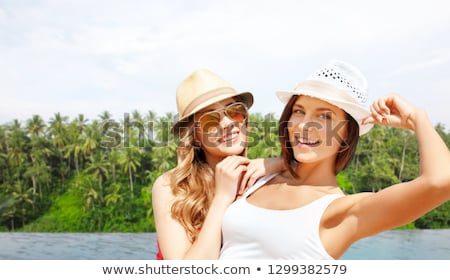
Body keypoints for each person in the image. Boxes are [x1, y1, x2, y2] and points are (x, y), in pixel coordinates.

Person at [220, 59, 450, 259]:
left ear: (347, 133)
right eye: (299, 111)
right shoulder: (258, 177)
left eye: (325, 116)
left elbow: (441, 182)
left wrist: (417, 118)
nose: (303, 124)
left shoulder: (343, 212)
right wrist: (280, 162)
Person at [152, 68, 285, 259]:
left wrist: (280, 163)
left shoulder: (265, 178)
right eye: (210, 120)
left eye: (235, 111)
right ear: (195, 137)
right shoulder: (171, 187)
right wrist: (222, 198)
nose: (227, 123)